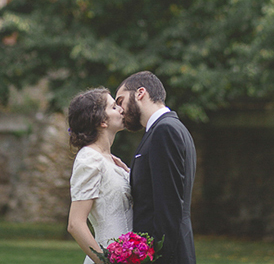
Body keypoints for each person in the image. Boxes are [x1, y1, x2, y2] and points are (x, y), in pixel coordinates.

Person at [115, 71, 197, 264]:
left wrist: (158, 257)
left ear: (140, 93)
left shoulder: (164, 130)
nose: (119, 110)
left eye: (120, 101)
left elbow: (168, 206)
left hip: (166, 254)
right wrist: (131, 173)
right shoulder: (169, 128)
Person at [67, 87, 133, 264]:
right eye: (113, 107)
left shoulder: (110, 160)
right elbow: (75, 223)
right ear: (101, 122)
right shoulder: (89, 159)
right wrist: (106, 261)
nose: (121, 109)